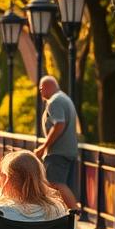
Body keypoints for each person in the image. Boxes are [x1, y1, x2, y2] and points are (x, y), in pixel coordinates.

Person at [33, 76, 79, 211]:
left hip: (58, 151)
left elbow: (59, 124)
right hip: (68, 150)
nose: (40, 92)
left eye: (41, 88)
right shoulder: (64, 98)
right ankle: (62, 210)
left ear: (48, 86)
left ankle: (75, 210)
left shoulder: (55, 101)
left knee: (55, 182)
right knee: (56, 182)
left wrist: (43, 147)